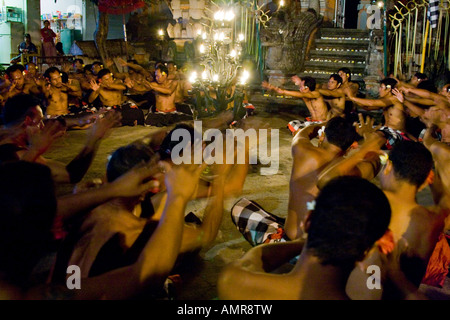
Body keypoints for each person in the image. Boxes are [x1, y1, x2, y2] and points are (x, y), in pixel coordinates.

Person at [0, 158, 207, 299]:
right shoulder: (27, 295)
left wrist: (113, 189)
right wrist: (177, 197)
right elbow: (140, 277)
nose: (60, 213)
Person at [218, 176, 392, 300]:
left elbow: (254, 259)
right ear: (364, 253)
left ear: (307, 221)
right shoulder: (371, 278)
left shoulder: (235, 283)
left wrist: (302, 241)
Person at [231, 117, 361, 245]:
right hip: (321, 249)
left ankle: (276, 246)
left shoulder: (303, 150)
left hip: (290, 245)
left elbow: (303, 132)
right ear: (350, 147)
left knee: (241, 207)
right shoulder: (353, 171)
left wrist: (323, 124)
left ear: (322, 136)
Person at [1, 93, 121, 184]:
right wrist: (93, 138)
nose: (43, 126)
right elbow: (70, 174)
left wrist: (78, 121)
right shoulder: (20, 155)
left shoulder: (5, 134)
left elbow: (50, 122)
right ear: (27, 121)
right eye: (40, 122)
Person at [344, 78, 411, 149]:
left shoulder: (394, 99)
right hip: (386, 131)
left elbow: (371, 103)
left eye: (381, 87)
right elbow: (367, 107)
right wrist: (353, 99)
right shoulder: (385, 101)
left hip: (396, 134)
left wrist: (352, 97)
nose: (379, 90)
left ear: (388, 89)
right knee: (359, 131)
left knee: (374, 136)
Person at [262, 76, 329, 122]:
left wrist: (279, 90)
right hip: (313, 121)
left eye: (301, 86)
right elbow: (293, 94)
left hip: (321, 122)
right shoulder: (305, 93)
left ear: (307, 87)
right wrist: (273, 87)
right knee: (293, 125)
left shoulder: (316, 94)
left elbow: (301, 94)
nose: (300, 88)